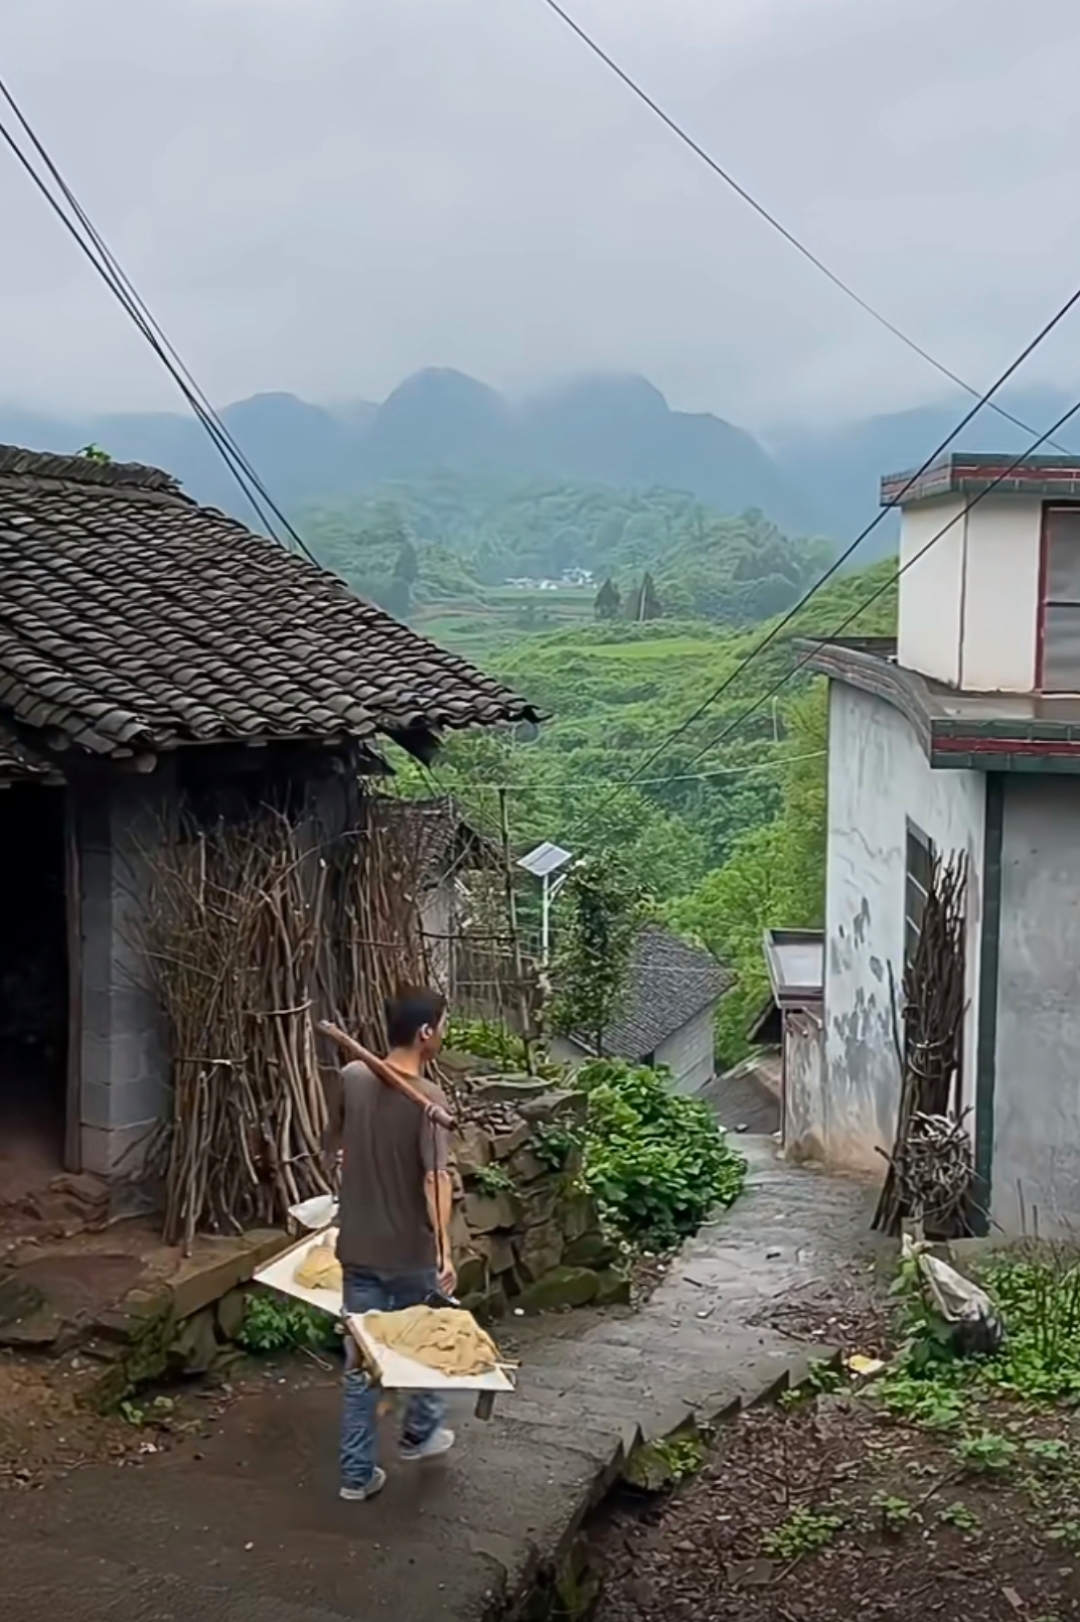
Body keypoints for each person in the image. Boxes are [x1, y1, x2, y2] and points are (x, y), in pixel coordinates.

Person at [322, 987, 457, 1503]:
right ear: (426, 1033)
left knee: (360, 1365)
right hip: (408, 1254)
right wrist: (445, 1253)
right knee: (421, 1348)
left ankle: (356, 1476)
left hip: (356, 1247)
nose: (443, 1034)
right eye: (442, 1025)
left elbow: (337, 1145)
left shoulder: (352, 1078)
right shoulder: (431, 1104)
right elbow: (436, 1179)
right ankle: (418, 1435)